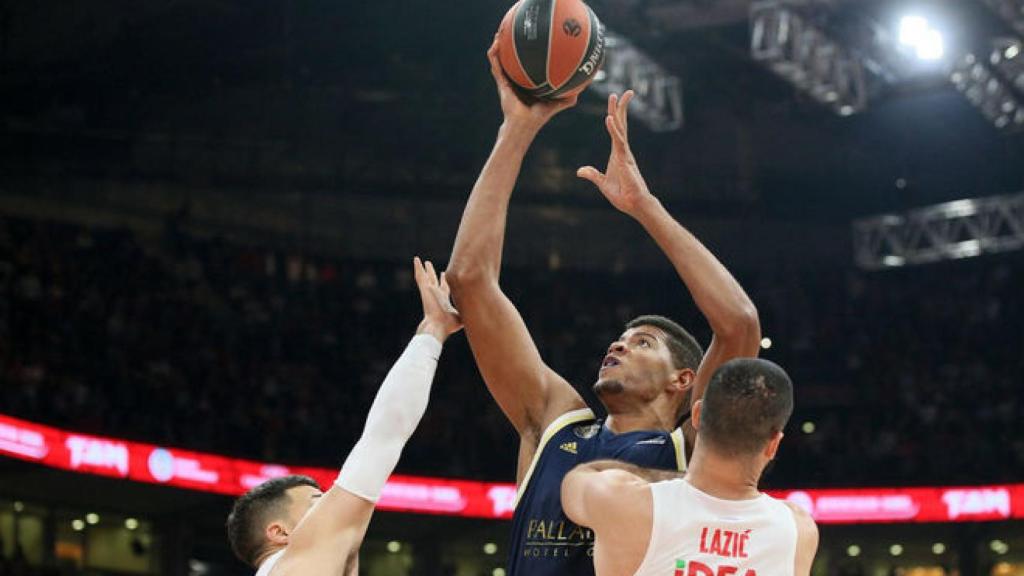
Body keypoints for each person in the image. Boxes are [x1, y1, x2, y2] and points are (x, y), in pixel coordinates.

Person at [443, 37, 761, 576]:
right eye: (622, 337)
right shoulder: (554, 424)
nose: (617, 343)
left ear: (684, 380)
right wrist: (517, 128)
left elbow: (738, 325)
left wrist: (644, 206)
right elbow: (469, 279)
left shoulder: (693, 448)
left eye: (643, 343)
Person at [225, 258, 462, 576]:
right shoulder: (296, 563)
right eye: (317, 503)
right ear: (280, 533)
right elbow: (381, 438)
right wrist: (433, 330)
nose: (332, 506)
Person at [562, 358, 819, 576]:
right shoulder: (798, 531)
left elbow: (575, 479)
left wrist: (661, 476)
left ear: (697, 415)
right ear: (774, 444)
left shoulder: (623, 499)